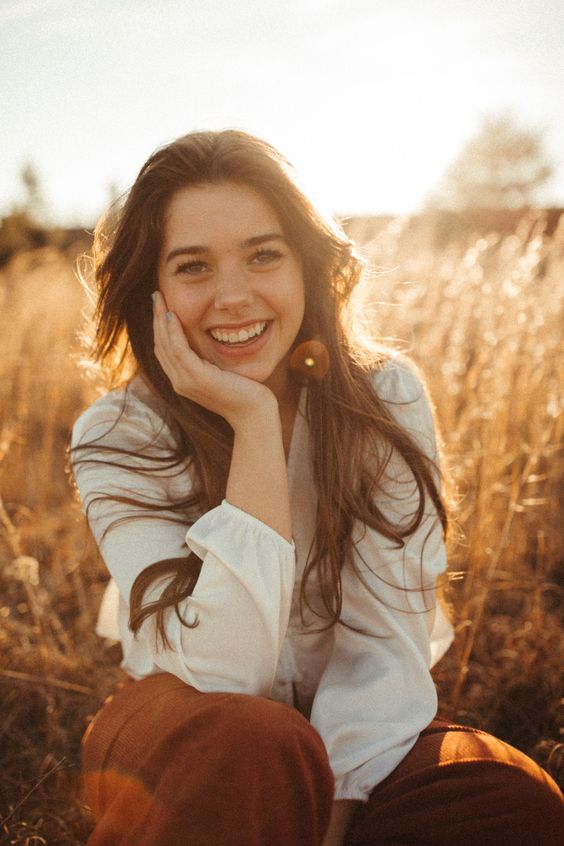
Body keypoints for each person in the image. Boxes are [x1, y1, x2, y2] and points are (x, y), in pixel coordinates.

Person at [71, 129, 563, 846]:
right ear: (154, 291)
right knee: (254, 747)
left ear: (308, 264)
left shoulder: (384, 398)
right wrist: (255, 425)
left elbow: (384, 643)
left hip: (369, 734)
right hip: (188, 730)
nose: (233, 296)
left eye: (264, 255)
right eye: (193, 266)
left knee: (510, 801)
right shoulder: (117, 433)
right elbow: (221, 675)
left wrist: (333, 817)